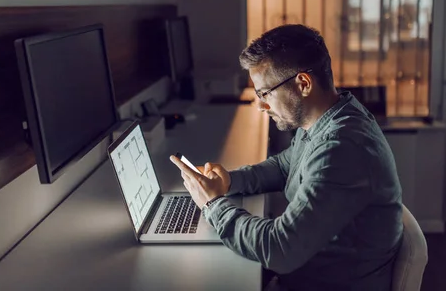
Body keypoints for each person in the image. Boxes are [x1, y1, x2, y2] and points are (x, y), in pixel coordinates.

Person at [170, 24, 403, 291]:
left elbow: (281, 249)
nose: (260, 105)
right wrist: (230, 182)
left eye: (265, 93)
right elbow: (285, 165)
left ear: (303, 83)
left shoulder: (341, 147)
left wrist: (214, 205)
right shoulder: (331, 116)